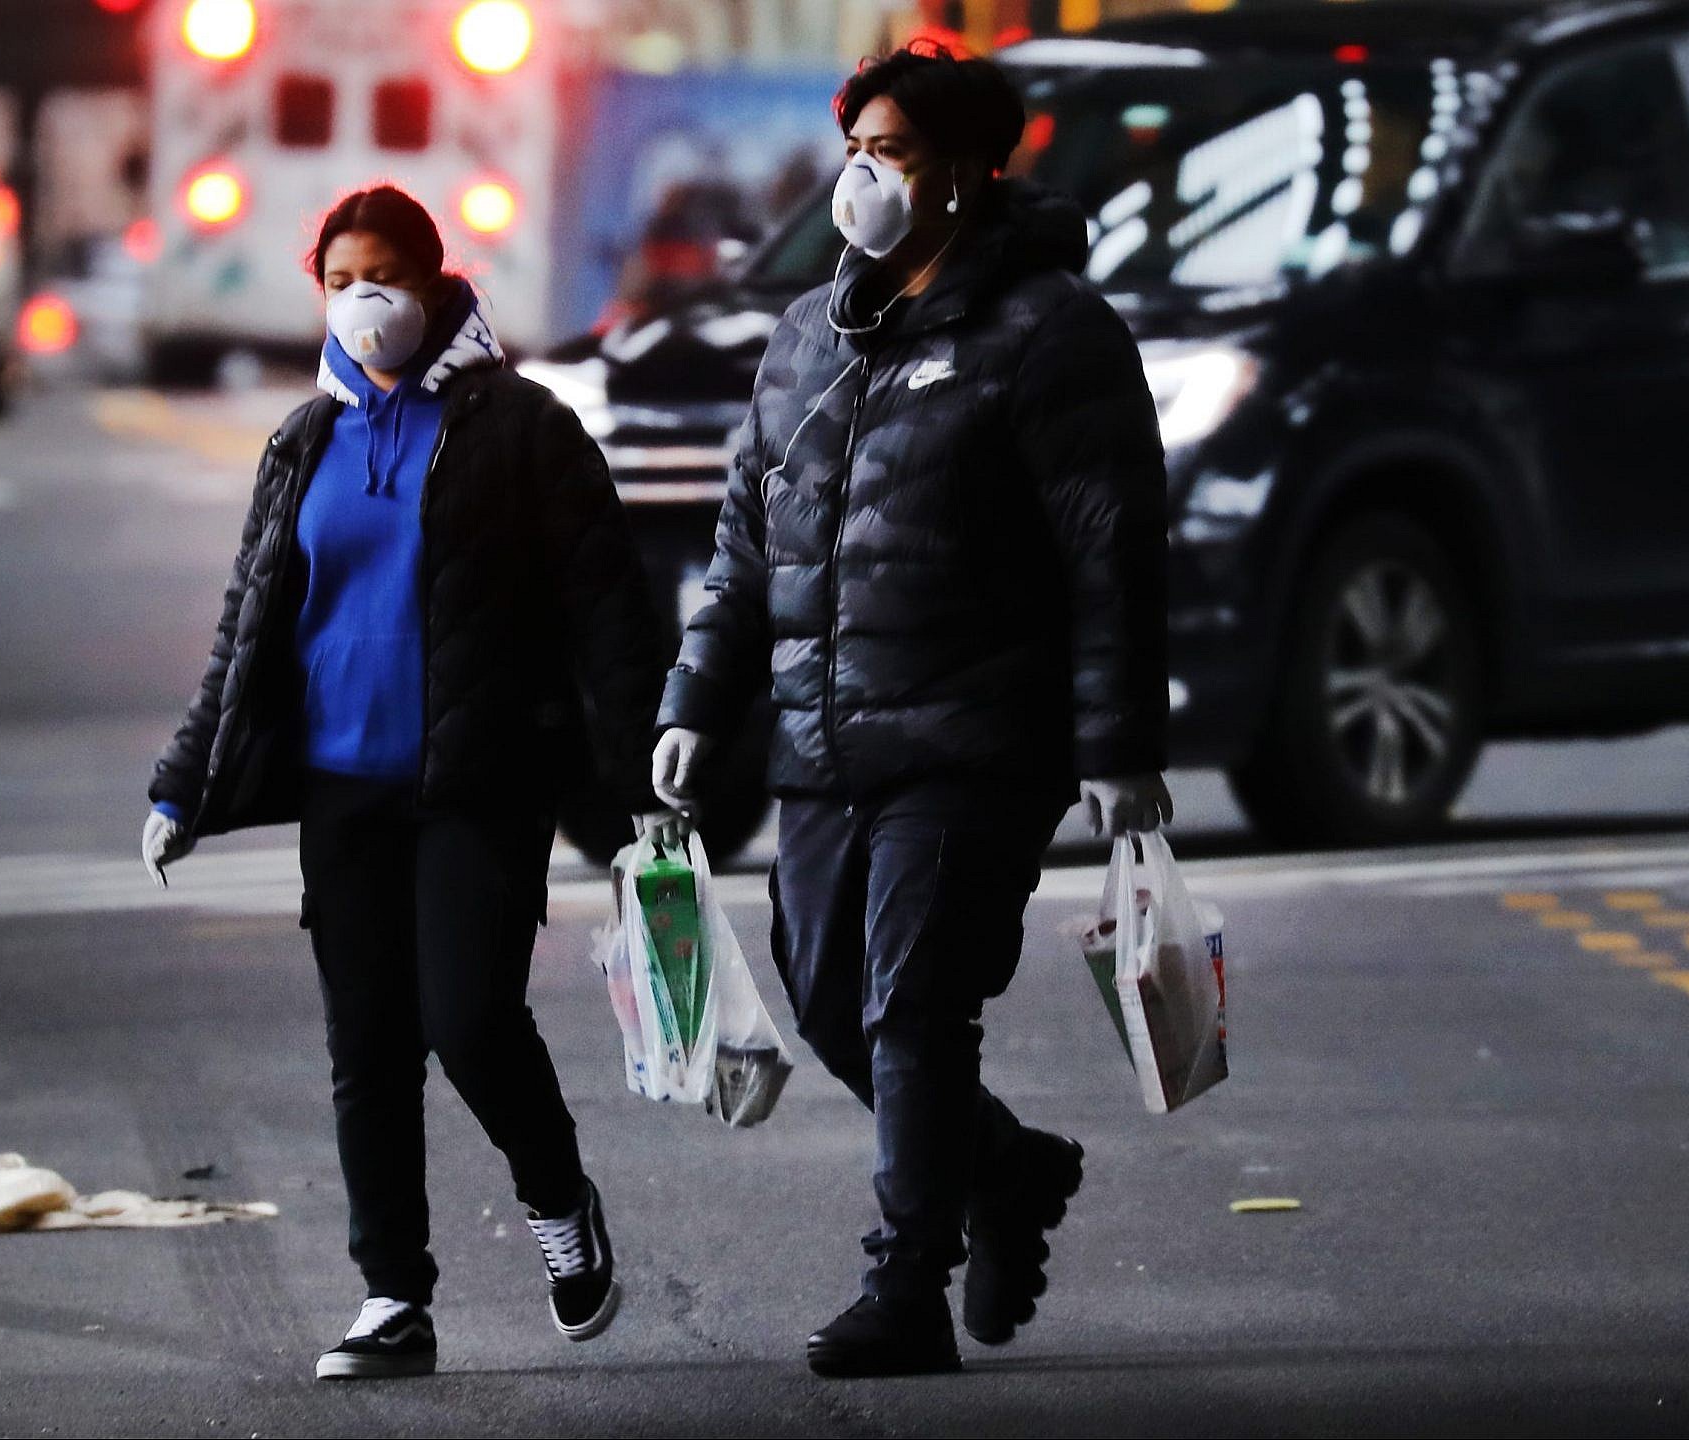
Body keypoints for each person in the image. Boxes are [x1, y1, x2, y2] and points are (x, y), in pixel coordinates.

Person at [651, 44, 1173, 1378]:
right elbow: (747, 542)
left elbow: (1111, 549)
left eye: (889, 153)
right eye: (854, 151)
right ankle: (1008, 1170)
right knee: (833, 1003)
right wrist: (695, 700)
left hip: (977, 737)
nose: (862, 178)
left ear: (964, 173)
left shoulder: (1050, 333)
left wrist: (1119, 745)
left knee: (915, 1004)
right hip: (821, 735)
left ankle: (905, 1287)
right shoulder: (808, 336)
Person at [143, 185, 666, 1381]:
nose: (362, 300)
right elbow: (247, 627)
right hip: (344, 788)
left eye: (382, 276)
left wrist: (643, 767)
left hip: (480, 777)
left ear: (434, 284)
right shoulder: (302, 442)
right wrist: (182, 784)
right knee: (368, 1048)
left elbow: (608, 610)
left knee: (469, 1020)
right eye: (339, 280)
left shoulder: (522, 428)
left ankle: (557, 1202)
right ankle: (391, 1297)